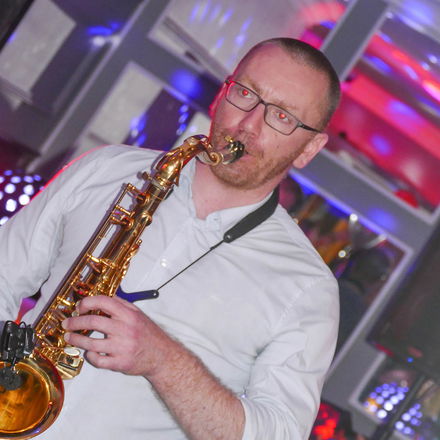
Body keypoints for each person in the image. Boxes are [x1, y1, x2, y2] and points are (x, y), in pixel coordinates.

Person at [0, 37, 341, 439]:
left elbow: (278, 433)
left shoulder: (307, 288)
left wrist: (164, 362)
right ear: (222, 94)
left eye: (281, 116)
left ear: (309, 148)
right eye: (245, 94)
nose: (248, 125)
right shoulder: (106, 170)